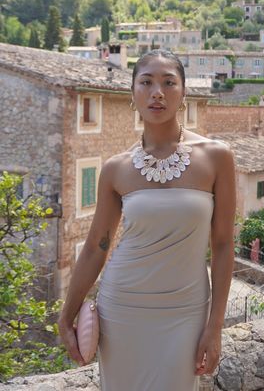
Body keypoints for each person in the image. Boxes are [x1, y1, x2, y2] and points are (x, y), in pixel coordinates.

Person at [58, 49, 236, 391]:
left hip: (186, 310)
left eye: (169, 82)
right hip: (122, 309)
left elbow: (224, 244)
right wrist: (67, 313)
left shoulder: (216, 157)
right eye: (147, 82)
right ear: (133, 93)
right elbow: (98, 245)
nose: (158, 92)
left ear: (183, 93)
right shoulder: (115, 168)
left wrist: (215, 326)